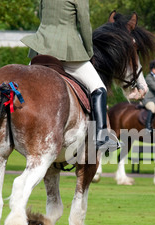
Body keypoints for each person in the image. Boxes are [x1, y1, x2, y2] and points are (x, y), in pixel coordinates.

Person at [21, 0, 119, 152]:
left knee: (21, 85)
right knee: (99, 88)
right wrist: (89, 52)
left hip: (42, 48)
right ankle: (101, 137)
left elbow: (42, 17)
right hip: (68, 51)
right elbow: (85, 26)